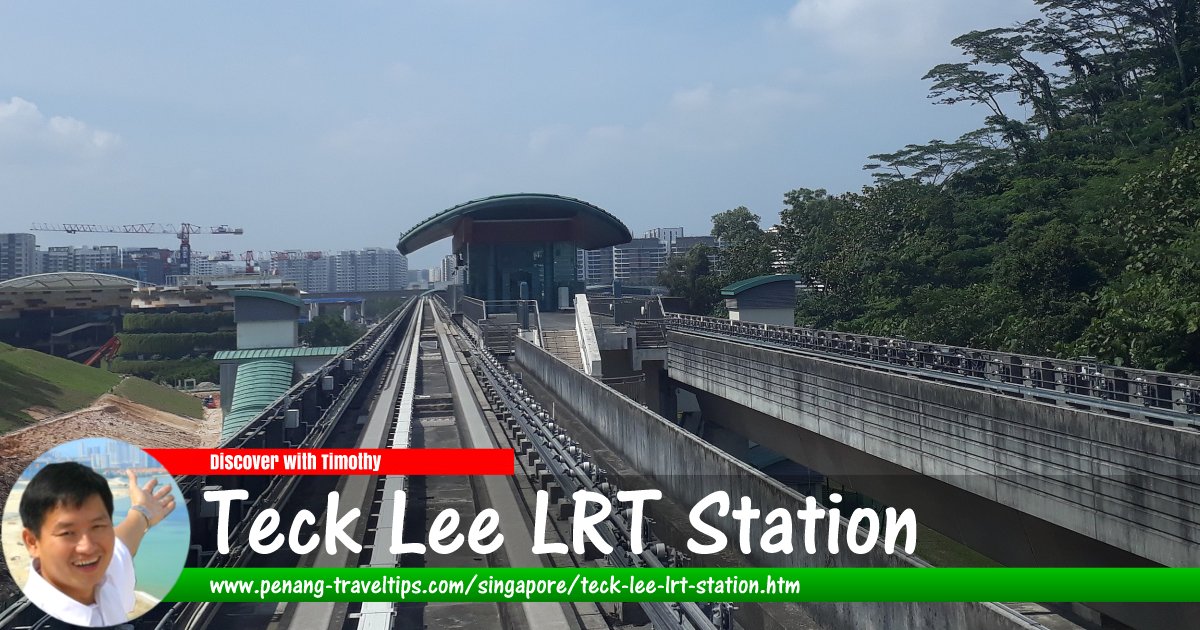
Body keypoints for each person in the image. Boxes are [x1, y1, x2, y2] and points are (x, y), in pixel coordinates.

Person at [18, 462, 176, 627]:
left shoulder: (101, 576)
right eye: (67, 533)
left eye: (97, 526)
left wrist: (143, 512)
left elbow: (121, 545)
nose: (88, 547)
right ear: (32, 542)